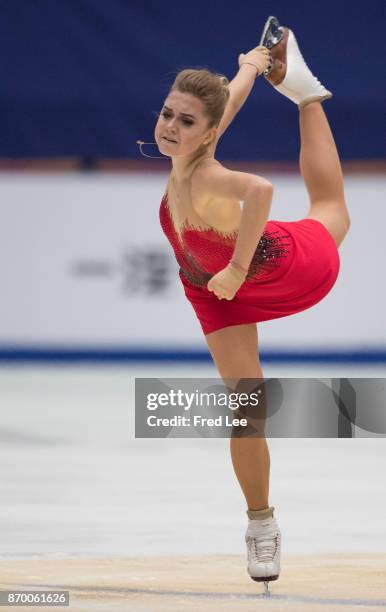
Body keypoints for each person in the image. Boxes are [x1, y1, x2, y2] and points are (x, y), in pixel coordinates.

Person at [154, 16, 350, 587]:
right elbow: (224, 111)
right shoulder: (190, 152)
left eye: (185, 121)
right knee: (248, 410)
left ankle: (308, 94)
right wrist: (251, 66)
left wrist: (239, 267)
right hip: (209, 290)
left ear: (207, 133)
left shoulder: (208, 173)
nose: (170, 126)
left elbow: (260, 190)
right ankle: (261, 522)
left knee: (331, 210)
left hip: (275, 267)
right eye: (167, 113)